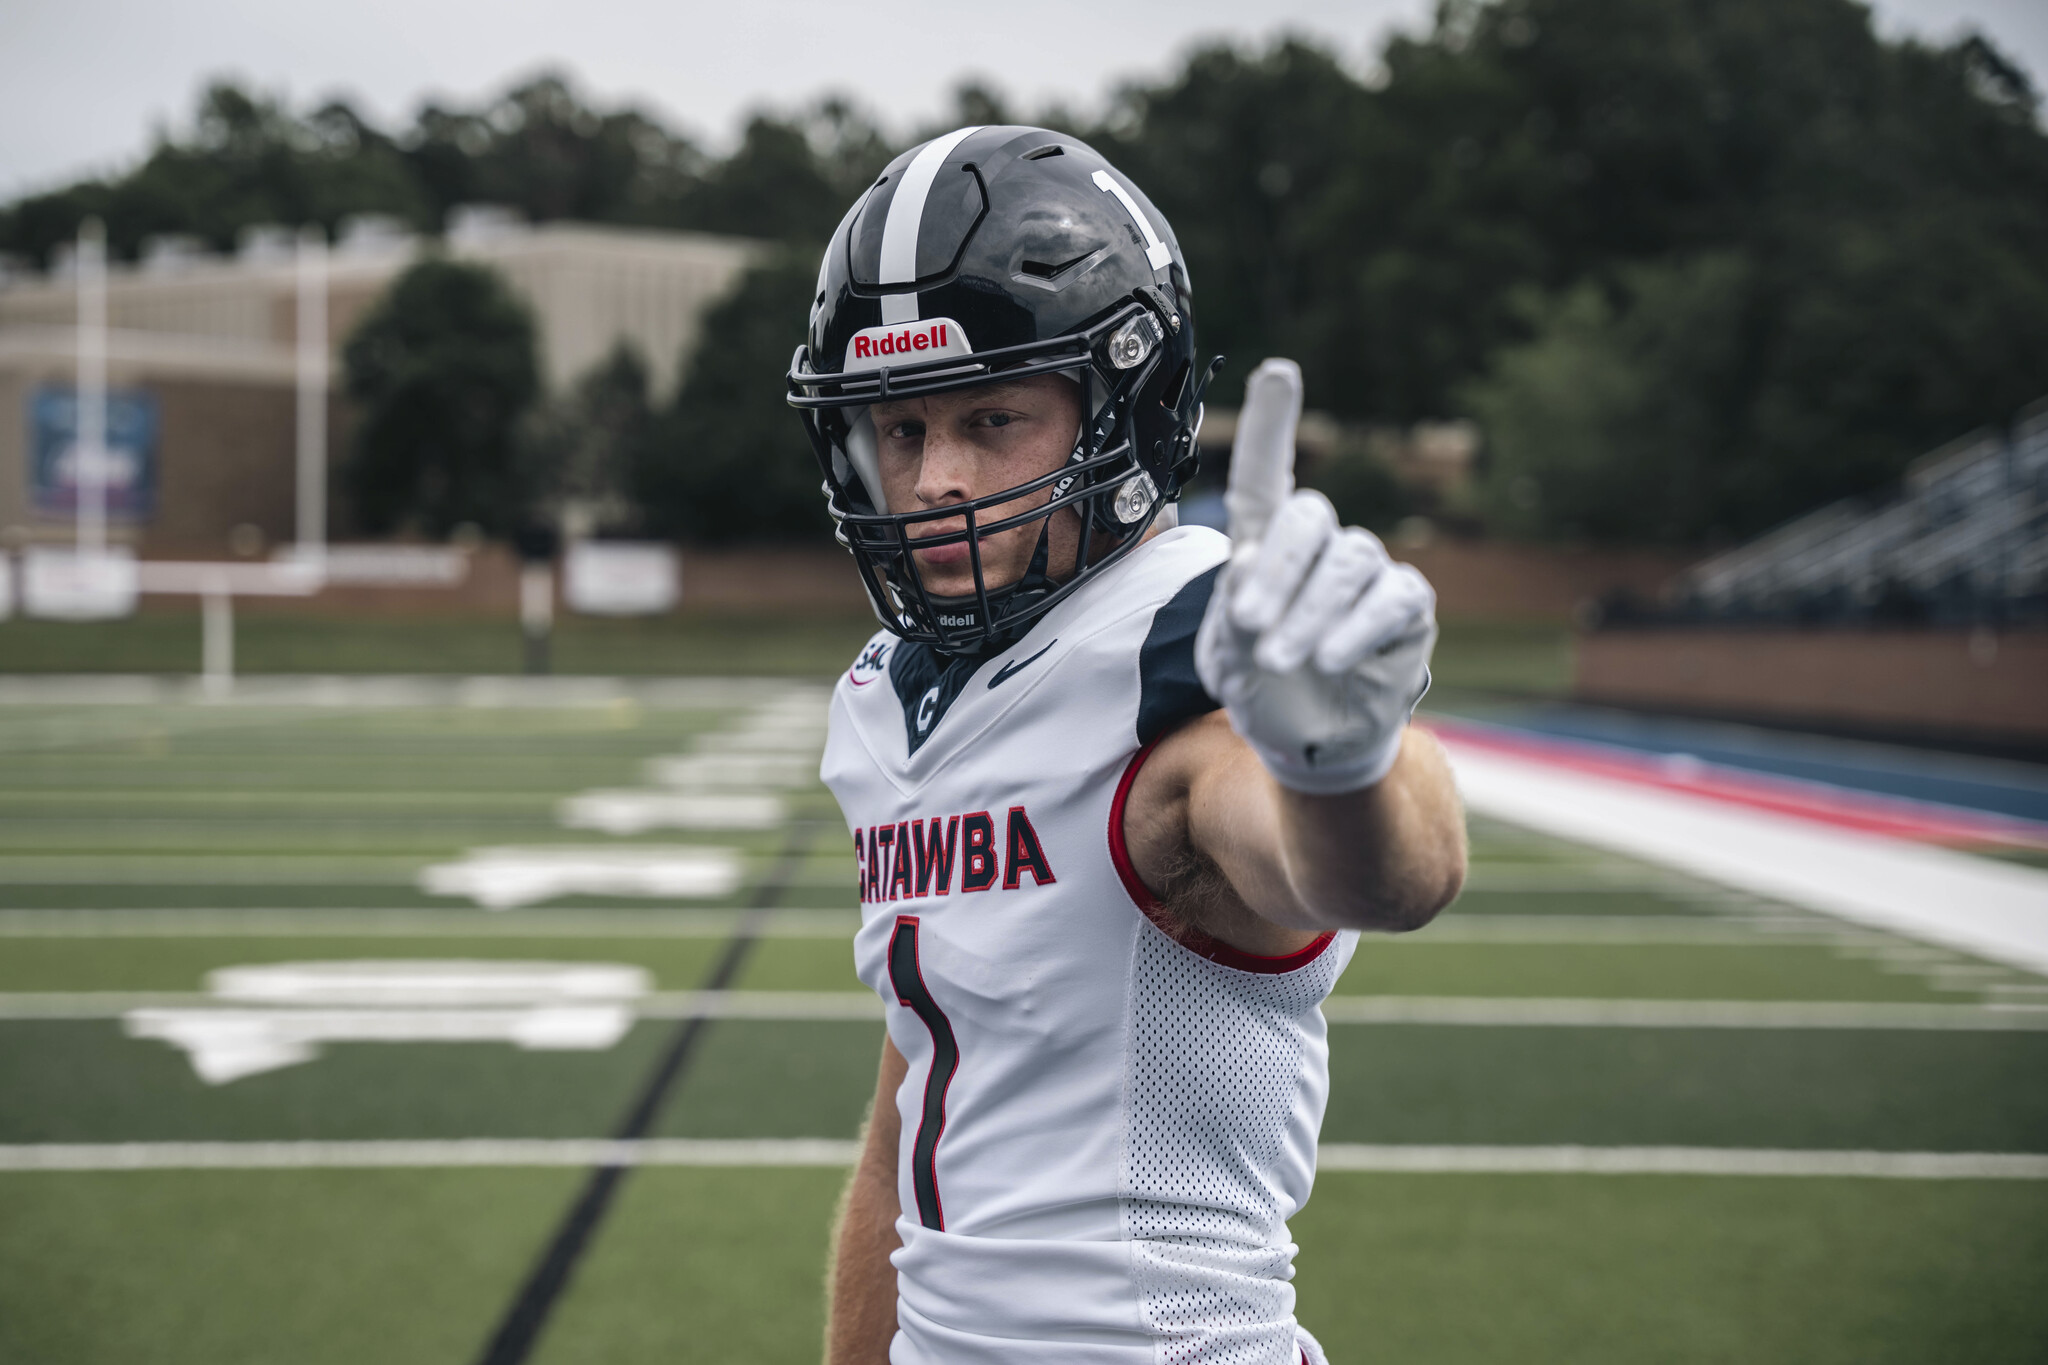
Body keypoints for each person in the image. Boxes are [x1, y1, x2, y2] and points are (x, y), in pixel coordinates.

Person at [788, 125, 1466, 1365]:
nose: (934, 478)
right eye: (898, 430)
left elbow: (1376, 873)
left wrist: (1342, 767)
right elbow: (911, 1130)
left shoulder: (1182, 647)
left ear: (1125, 405)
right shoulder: (889, 695)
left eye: (991, 419)